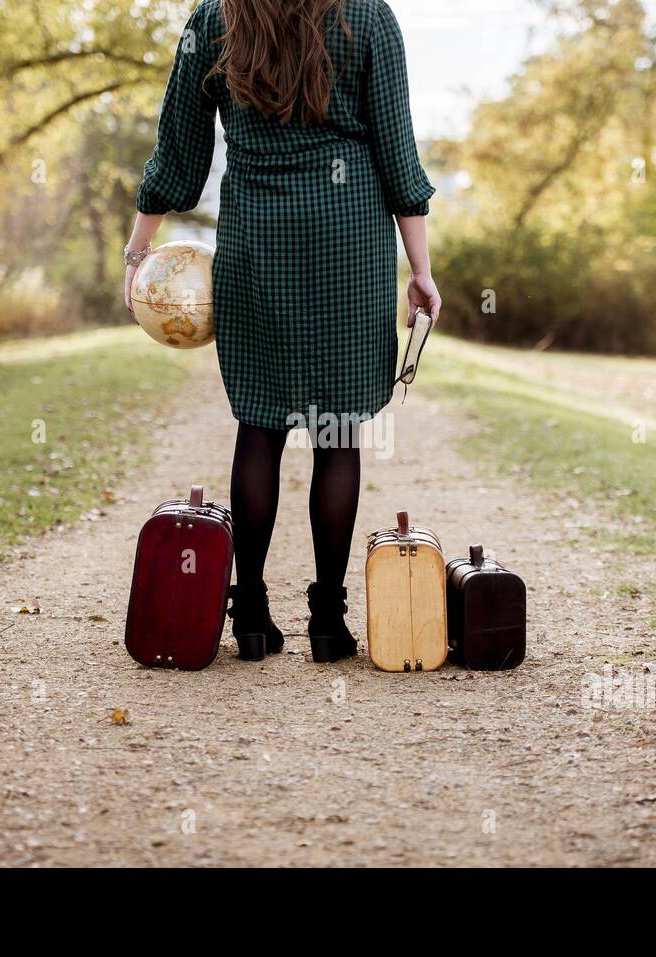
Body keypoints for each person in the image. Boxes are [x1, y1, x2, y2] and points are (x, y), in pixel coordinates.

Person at [125, 0, 439, 663]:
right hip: (348, 239)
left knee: (260, 426)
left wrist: (138, 251)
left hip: (256, 241)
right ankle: (328, 622)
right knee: (338, 431)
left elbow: (179, 154)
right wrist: (422, 271)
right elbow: (397, 154)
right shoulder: (367, 16)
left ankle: (252, 613)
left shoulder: (214, 18)